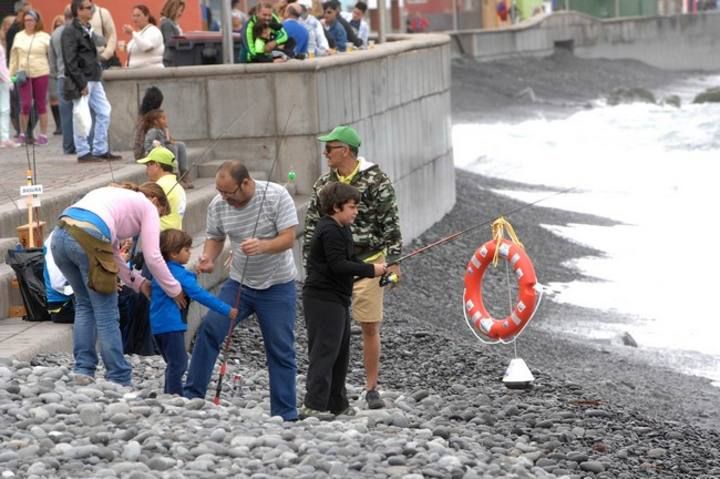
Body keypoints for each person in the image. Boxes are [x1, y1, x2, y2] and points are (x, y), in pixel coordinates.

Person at [184, 161, 299, 421]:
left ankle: (286, 413)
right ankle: (191, 396)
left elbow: (289, 238)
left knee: (280, 348)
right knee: (210, 329)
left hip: (278, 285)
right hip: (239, 284)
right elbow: (215, 237)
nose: (225, 198)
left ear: (246, 183)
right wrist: (209, 258)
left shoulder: (276, 196)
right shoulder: (218, 204)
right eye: (220, 192)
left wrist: (263, 245)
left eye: (229, 193)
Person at [50, 182, 187, 386]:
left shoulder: (111, 197)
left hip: (60, 236)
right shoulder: (148, 206)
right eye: (160, 215)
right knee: (106, 311)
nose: (155, 221)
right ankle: (118, 375)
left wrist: (140, 283)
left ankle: (83, 368)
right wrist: (174, 289)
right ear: (156, 201)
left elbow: (113, 256)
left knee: (85, 304)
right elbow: (153, 256)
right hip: (89, 237)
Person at [304, 125, 402, 410]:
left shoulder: (376, 179)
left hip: (369, 262)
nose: (325, 154)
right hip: (331, 271)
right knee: (333, 334)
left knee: (368, 325)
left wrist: (393, 262)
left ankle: (371, 388)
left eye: (329, 148)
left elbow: (390, 223)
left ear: (344, 150)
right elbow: (311, 227)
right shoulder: (324, 183)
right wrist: (309, 267)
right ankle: (329, 398)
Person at [301, 182, 387, 418]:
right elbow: (339, 265)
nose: (356, 211)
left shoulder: (342, 229)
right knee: (325, 350)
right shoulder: (328, 229)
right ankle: (314, 404)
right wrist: (372, 270)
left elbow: (348, 260)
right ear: (336, 207)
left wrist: (374, 268)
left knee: (340, 351)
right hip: (322, 298)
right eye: (352, 207)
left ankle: (337, 403)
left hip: (337, 298)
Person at [152, 229, 239, 396]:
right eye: (186, 250)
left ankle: (168, 394)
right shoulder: (178, 273)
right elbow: (200, 295)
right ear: (173, 253)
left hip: (157, 325)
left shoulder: (164, 271)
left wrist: (193, 274)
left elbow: (183, 279)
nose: (190, 253)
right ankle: (174, 397)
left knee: (172, 363)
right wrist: (226, 310)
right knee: (179, 364)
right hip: (172, 325)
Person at [62, 0, 122, 163]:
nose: (92, 11)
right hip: (83, 78)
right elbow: (70, 60)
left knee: (104, 110)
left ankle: (100, 149)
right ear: (78, 10)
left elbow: (99, 45)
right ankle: (83, 151)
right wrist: (81, 83)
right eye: (89, 8)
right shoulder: (70, 31)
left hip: (94, 75)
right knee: (80, 115)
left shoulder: (87, 28)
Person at [8, 9, 50, 146]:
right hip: (23, 74)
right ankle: (22, 133)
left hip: (41, 72)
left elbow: (51, 55)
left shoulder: (44, 36)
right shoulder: (19, 36)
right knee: (25, 104)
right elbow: (14, 57)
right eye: (26, 20)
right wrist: (11, 75)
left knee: (41, 104)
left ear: (36, 21)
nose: (28, 23)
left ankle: (43, 134)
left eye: (31, 20)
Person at [140, 109, 193, 189]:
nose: (166, 121)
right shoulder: (153, 131)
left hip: (163, 150)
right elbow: (147, 145)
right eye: (163, 119)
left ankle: (184, 173)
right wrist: (155, 146)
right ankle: (175, 174)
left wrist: (168, 137)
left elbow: (165, 142)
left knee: (180, 145)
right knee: (172, 147)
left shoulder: (162, 130)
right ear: (156, 121)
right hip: (156, 153)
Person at [136, 146, 186, 230]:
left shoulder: (160, 187)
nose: (146, 170)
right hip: (175, 236)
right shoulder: (178, 186)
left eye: (148, 165)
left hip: (161, 237)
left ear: (157, 165)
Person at [48, 6, 74, 154]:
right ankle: (80, 145)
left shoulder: (55, 33)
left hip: (61, 77)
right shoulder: (77, 31)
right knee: (80, 112)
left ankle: (67, 145)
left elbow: (51, 59)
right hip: (76, 77)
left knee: (65, 113)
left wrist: (56, 73)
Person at [123, 5, 164, 69]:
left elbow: (146, 47)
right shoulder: (138, 33)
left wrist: (132, 32)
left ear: (146, 17)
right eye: (134, 16)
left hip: (150, 72)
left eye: (138, 15)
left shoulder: (154, 31)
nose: (135, 18)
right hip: (135, 72)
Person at [0, 36, 18, 148]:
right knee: (4, 109)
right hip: (2, 81)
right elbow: (1, 67)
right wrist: (9, 80)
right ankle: (4, 138)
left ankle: (4, 137)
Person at [89, 3, 119, 69]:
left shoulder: (102, 13)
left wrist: (106, 55)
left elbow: (112, 35)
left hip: (102, 60)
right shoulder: (75, 14)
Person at [48, 15, 64, 136]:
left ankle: (63, 124)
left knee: (63, 99)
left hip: (63, 71)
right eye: (56, 25)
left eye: (60, 24)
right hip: (53, 71)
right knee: (54, 98)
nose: (58, 26)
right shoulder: (51, 38)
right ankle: (58, 124)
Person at [159, 0, 185, 67]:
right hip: (170, 60)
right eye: (180, 10)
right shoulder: (167, 24)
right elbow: (170, 42)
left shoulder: (171, 23)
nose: (181, 13)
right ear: (173, 10)